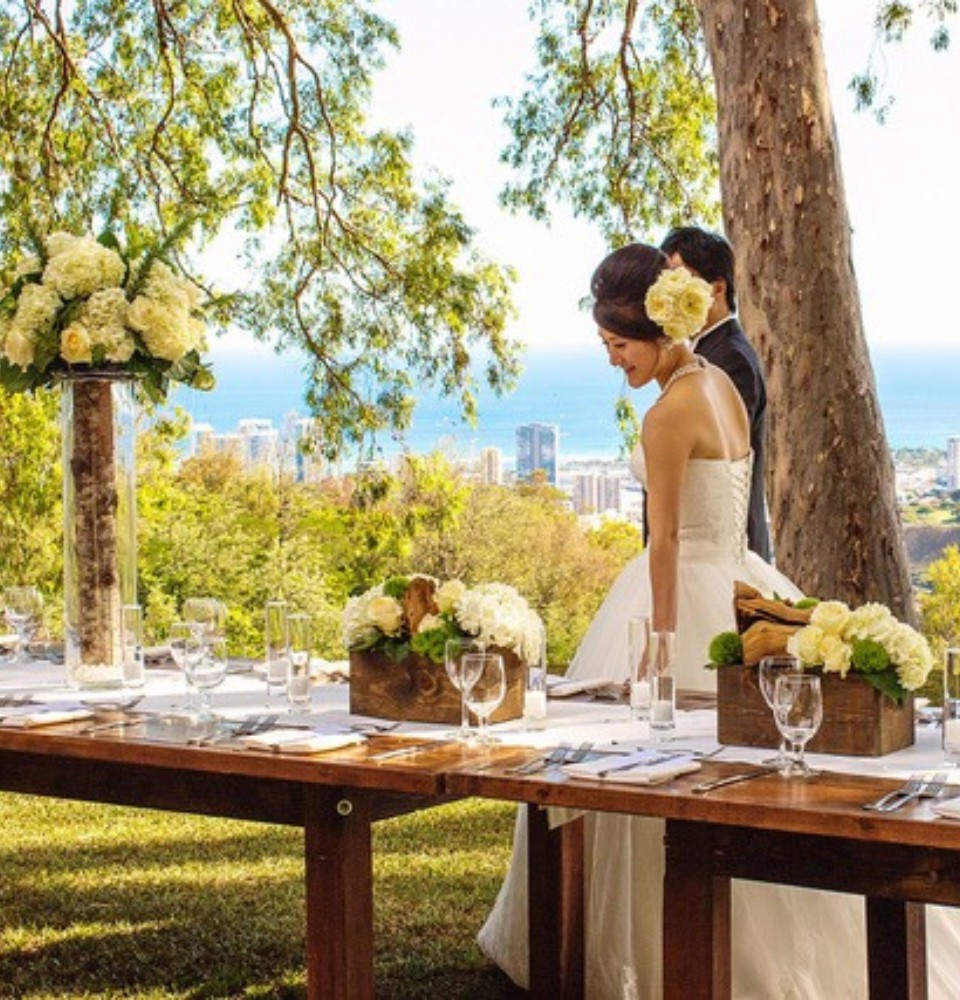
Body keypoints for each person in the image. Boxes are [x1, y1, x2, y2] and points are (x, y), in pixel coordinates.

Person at [477, 244, 960, 998]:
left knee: (651, 764)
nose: (614, 363)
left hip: (680, 591)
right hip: (744, 578)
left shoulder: (668, 414)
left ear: (656, 332)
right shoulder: (718, 385)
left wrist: (659, 650)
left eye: (619, 346)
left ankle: (628, 953)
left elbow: (664, 540)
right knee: (756, 764)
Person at [659, 225, 772, 562]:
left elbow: (722, 469)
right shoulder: (696, 353)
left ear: (717, 287)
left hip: (724, 556)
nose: (669, 294)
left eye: (679, 281)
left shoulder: (731, 359)